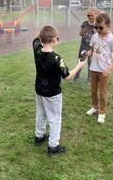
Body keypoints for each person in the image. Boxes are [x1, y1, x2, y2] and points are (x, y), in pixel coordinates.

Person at [32, 25, 85, 156]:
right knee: (55, 119)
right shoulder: (57, 59)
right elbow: (67, 76)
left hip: (39, 90)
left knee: (41, 113)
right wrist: (80, 65)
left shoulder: (37, 49)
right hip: (52, 94)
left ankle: (39, 136)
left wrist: (45, 31)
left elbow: (36, 39)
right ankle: (53, 145)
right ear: (54, 40)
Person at [85, 13, 113, 124]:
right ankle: (95, 107)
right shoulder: (94, 36)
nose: (98, 30)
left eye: (101, 27)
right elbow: (92, 50)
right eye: (96, 27)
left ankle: (102, 112)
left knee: (103, 93)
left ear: (108, 26)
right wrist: (87, 53)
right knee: (93, 91)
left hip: (104, 70)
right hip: (93, 68)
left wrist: (109, 68)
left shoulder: (112, 39)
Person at [72, 7, 99, 83]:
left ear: (96, 15)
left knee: (90, 63)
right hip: (84, 46)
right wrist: (83, 30)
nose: (90, 17)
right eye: (88, 15)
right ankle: (76, 78)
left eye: (92, 15)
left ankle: (89, 79)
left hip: (92, 47)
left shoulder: (97, 24)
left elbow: (97, 34)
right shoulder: (84, 23)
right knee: (81, 61)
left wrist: (93, 26)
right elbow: (80, 33)